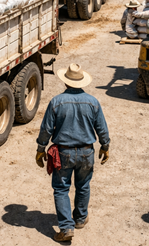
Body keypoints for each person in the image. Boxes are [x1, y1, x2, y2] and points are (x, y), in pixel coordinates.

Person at [36, 64, 110, 243]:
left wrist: (40, 149)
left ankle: (66, 227)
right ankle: (80, 219)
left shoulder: (56, 101)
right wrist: (105, 146)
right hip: (86, 152)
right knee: (83, 185)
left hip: (64, 153)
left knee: (61, 189)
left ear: (65, 82)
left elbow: (46, 129)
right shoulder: (92, 101)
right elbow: (101, 127)